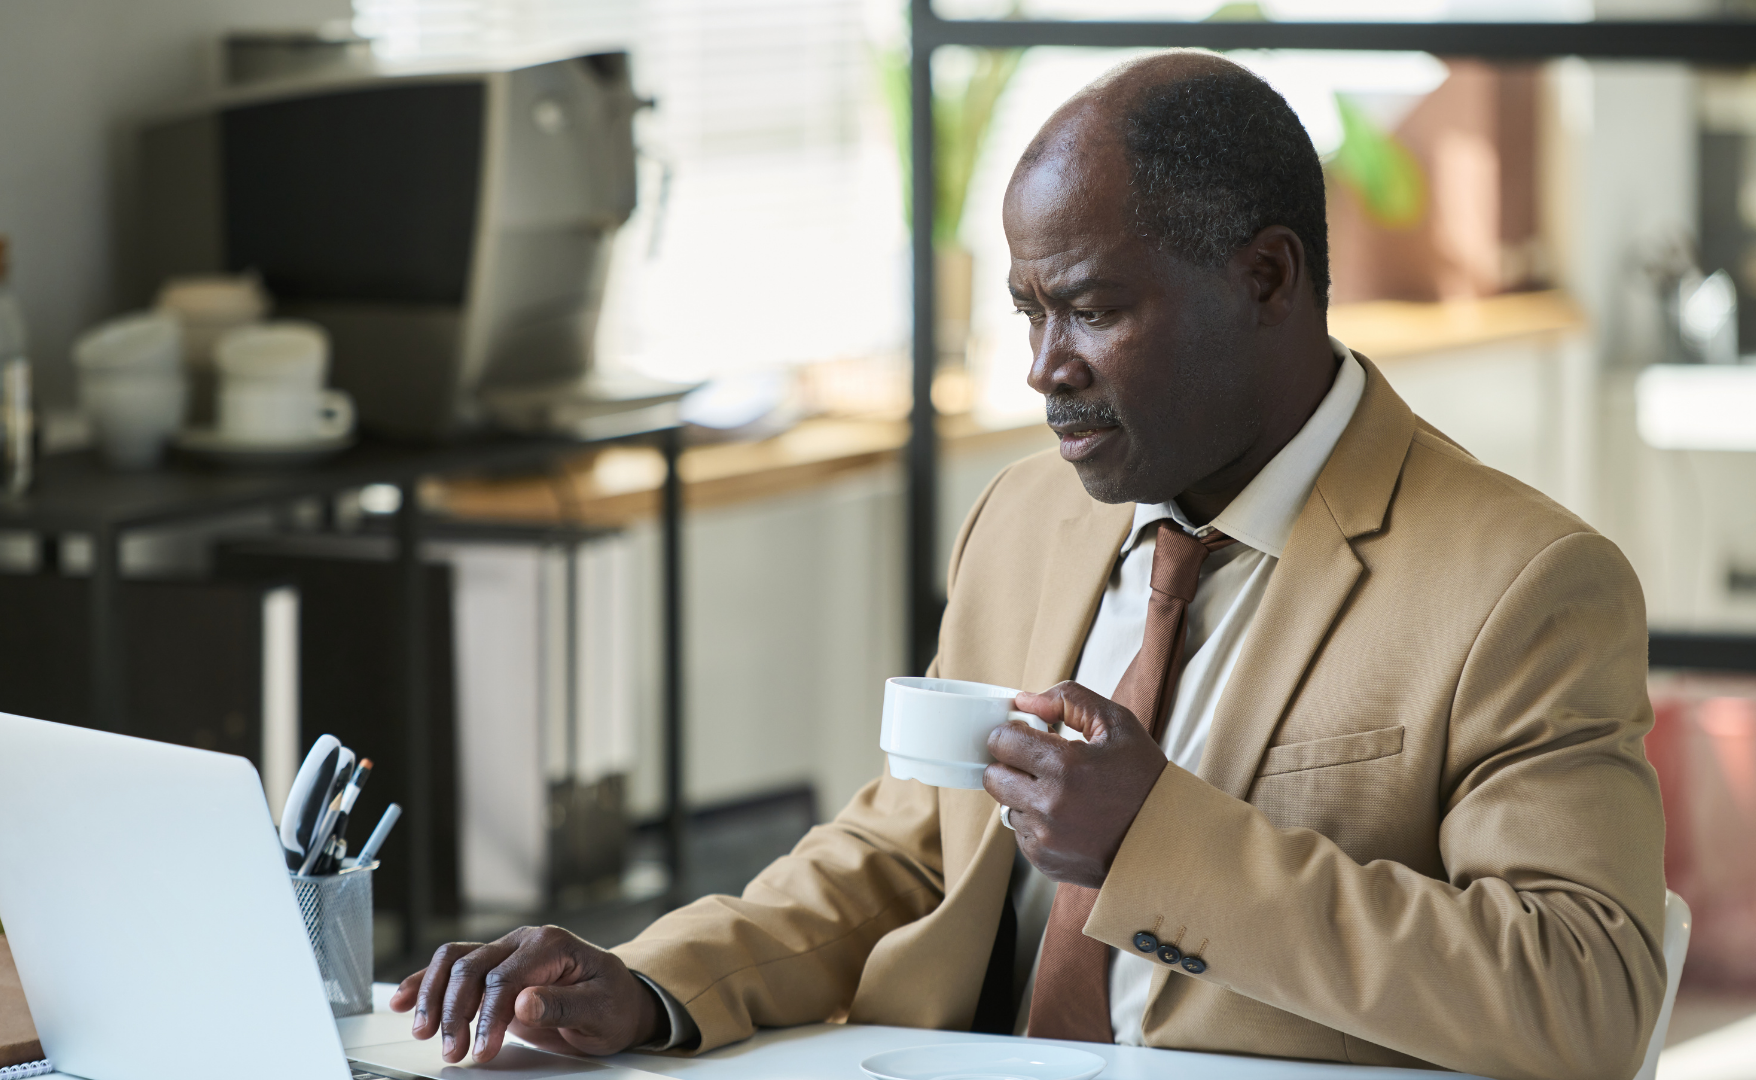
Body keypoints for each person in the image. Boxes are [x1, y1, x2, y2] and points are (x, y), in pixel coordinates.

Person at [393, 51, 1667, 1079]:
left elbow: (1585, 996)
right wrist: (652, 983)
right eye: (1028, 310)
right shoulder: (1027, 516)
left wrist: (1155, 838)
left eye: (1096, 309)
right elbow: (907, 856)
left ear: (1268, 279)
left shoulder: (1524, 584)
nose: (1043, 366)